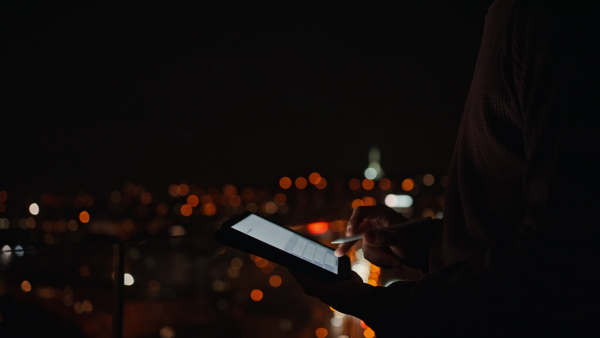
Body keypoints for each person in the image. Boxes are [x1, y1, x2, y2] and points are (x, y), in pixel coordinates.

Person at [290, 0, 600, 336]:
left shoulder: (548, 17)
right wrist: (430, 244)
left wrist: (377, 305)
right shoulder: (524, 18)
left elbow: (560, 261)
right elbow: (523, 223)